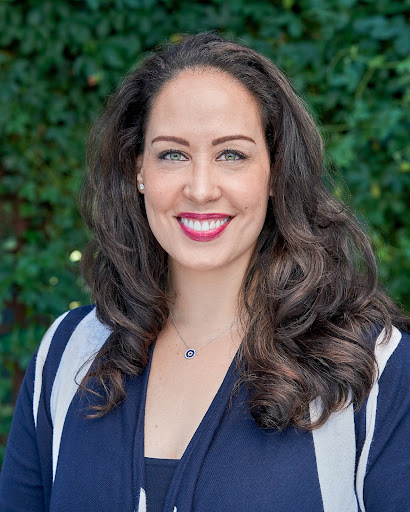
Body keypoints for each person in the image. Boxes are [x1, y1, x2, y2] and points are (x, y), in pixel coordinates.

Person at [0, 32, 409, 512]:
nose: (200, 188)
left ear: (275, 172)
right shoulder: (67, 354)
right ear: (139, 170)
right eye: (173, 154)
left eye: (231, 154)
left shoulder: (373, 369)